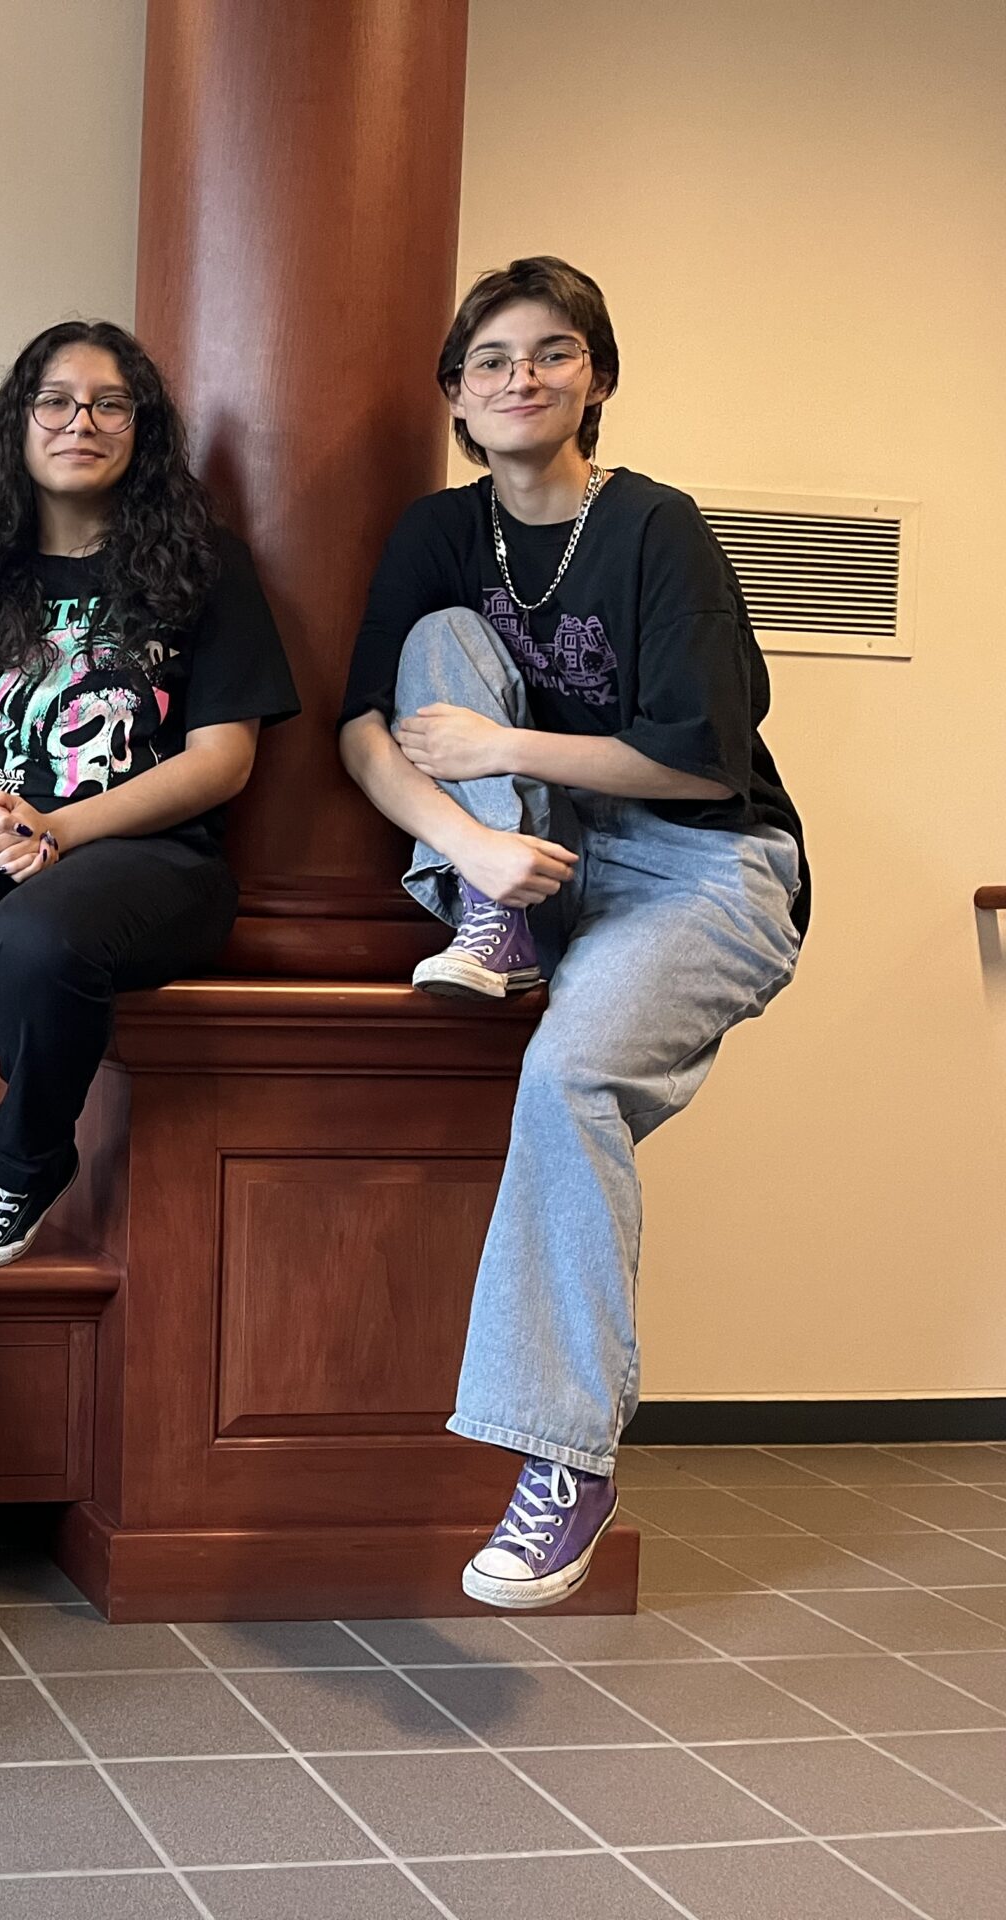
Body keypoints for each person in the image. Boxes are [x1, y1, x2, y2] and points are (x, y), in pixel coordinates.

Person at [338, 258, 806, 1608]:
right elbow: (366, 729)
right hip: (533, 857)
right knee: (433, 638)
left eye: (552, 353)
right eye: (492, 360)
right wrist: (479, 836)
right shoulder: (439, 531)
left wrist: (509, 746)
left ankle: (565, 1460)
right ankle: (494, 915)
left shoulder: (656, 528)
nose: (521, 377)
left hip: (700, 869)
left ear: (596, 376)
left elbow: (704, 764)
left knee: (566, 1078)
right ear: (457, 396)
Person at [0, 319, 299, 1278]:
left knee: (33, 938)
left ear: (142, 429)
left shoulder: (203, 570)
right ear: (20, 424)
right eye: (55, 399)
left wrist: (62, 826)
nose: (79, 420)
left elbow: (222, 761)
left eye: (109, 402)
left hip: (151, 851)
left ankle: (25, 1169)